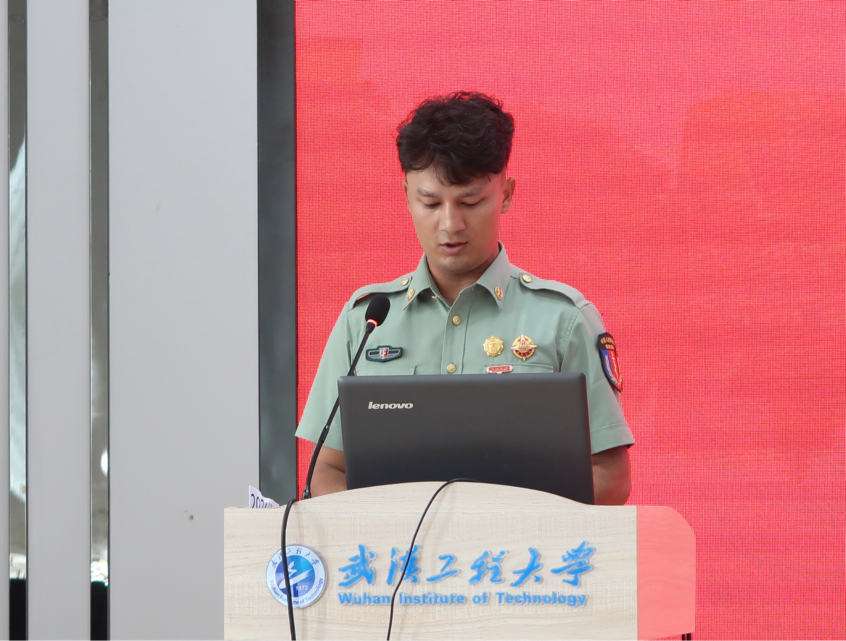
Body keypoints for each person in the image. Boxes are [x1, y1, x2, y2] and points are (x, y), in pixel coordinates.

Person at [295, 92, 634, 504]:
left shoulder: (564, 320)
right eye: (430, 202)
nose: (450, 224)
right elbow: (327, 472)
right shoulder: (367, 319)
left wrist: (494, 522)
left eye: (470, 202)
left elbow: (610, 476)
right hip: (397, 545)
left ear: (506, 194)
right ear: (406, 195)